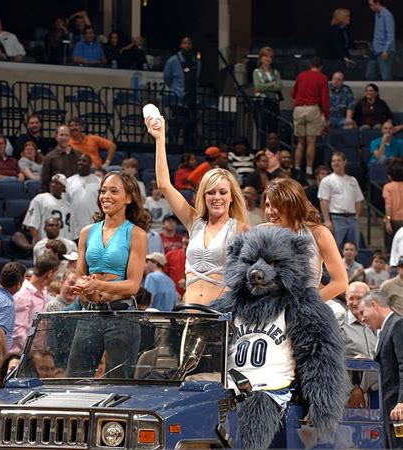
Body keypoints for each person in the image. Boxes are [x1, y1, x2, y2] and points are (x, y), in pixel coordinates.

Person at [146, 113, 248, 305]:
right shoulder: (195, 222)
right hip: (189, 313)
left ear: (232, 196)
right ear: (203, 196)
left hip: (221, 315)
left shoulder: (241, 229)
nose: (217, 197)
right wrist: (160, 139)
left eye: (222, 192)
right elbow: (164, 185)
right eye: (211, 192)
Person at [68, 172, 147, 378]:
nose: (106, 196)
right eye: (103, 191)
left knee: (119, 384)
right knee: (74, 379)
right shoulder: (87, 232)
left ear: (129, 198)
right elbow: (80, 275)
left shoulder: (137, 234)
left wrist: (98, 287)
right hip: (90, 315)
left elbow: (132, 287)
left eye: (114, 191)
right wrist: (84, 287)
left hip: (122, 317)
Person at [262, 178, 348, 300]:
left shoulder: (319, 233)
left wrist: (307, 305)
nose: (270, 212)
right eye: (267, 205)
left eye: (276, 206)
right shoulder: (260, 232)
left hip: (303, 314)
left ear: (292, 204)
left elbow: (341, 282)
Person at [360, 290, 402, 450]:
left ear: (374, 305)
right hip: (388, 410)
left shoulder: (398, 325)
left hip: (397, 410)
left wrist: (402, 402)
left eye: (364, 312)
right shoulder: (386, 329)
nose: (362, 318)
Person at [12, 255, 59, 352]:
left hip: (37, 353)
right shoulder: (23, 295)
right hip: (23, 355)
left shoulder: (42, 293)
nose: (56, 278)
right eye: (56, 274)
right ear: (49, 274)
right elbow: (18, 332)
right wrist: (31, 353)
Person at [292, 56, 329, 179]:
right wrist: (326, 116)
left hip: (298, 109)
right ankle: (308, 169)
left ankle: (296, 168)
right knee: (311, 142)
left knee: (300, 142)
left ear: (310, 65)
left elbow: (293, 94)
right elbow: (325, 99)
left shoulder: (301, 76)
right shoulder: (322, 78)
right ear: (321, 66)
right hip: (313, 109)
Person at [318, 151, 364, 248]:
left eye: (338, 160)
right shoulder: (327, 181)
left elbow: (359, 200)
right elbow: (323, 201)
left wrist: (357, 217)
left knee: (354, 247)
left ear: (344, 162)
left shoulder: (352, 180)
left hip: (352, 218)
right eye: (333, 161)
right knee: (335, 248)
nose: (336, 163)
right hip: (336, 218)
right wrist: (327, 220)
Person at [163, 36, 201, 146]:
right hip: (178, 97)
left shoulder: (196, 61)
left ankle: (188, 146)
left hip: (192, 98)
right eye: (184, 43)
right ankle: (173, 145)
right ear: (180, 45)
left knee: (190, 126)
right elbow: (167, 77)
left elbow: (197, 77)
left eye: (189, 43)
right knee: (176, 123)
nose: (187, 45)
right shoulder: (173, 60)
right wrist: (176, 88)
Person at [24, 174, 71, 244]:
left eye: (57, 183)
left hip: (64, 243)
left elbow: (71, 230)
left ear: (63, 187)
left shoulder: (68, 206)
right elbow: (31, 223)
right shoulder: (40, 199)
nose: (53, 185)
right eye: (52, 182)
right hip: (45, 242)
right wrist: (37, 241)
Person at [65, 154, 101, 240]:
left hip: (93, 223)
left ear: (90, 164)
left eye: (84, 161)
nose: (81, 162)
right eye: (79, 160)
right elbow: (65, 203)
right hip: (74, 223)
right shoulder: (69, 181)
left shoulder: (99, 182)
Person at [40, 126, 81, 192]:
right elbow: (45, 181)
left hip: (76, 194)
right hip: (58, 196)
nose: (64, 137)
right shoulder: (50, 157)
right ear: (56, 137)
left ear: (70, 137)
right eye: (61, 135)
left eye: (66, 135)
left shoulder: (79, 155)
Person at [252, 46, 283, 134]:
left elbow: (279, 86)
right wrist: (272, 84)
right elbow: (258, 87)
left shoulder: (275, 72)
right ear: (261, 58)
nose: (268, 59)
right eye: (266, 56)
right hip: (262, 102)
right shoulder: (256, 72)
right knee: (262, 128)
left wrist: (265, 86)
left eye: (270, 57)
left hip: (273, 102)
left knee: (273, 128)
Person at [342, 282, 377, 358]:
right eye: (351, 299)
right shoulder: (339, 327)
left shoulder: (377, 325)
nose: (354, 303)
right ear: (346, 301)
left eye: (359, 298)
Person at [367, 0, 395, 82]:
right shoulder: (377, 14)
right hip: (375, 49)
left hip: (383, 50)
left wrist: (386, 50)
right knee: (370, 75)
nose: (370, 7)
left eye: (371, 5)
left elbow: (390, 35)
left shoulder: (387, 15)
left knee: (386, 76)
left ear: (378, 3)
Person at [383, 158, 403, 249]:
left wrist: (387, 221)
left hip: (394, 221)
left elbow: (388, 204)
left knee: (391, 250)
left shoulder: (388, 187)